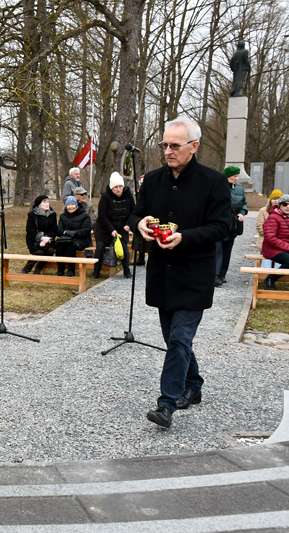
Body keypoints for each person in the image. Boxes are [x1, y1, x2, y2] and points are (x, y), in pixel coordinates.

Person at [129, 116, 230, 429]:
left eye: (175, 145)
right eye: (164, 145)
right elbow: (135, 214)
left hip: (194, 276)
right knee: (175, 340)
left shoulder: (213, 181)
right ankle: (194, 384)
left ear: (194, 146)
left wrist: (184, 237)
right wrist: (139, 224)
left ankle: (167, 404)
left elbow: (222, 227)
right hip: (162, 275)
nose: (168, 151)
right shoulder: (152, 180)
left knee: (179, 339)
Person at [93, 172, 135, 279]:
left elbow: (133, 212)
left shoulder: (128, 195)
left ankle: (127, 271)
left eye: (120, 186)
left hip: (122, 227)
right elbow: (102, 216)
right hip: (104, 228)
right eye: (116, 187)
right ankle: (96, 272)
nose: (118, 189)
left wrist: (128, 224)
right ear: (112, 188)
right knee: (100, 248)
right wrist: (111, 230)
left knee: (124, 249)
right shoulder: (105, 197)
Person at [215, 165, 248, 287]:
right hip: (219, 223)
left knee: (227, 250)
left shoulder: (239, 188)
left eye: (237, 176)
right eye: (234, 176)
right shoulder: (217, 186)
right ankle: (215, 274)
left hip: (233, 224)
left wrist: (242, 213)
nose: (236, 179)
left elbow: (244, 203)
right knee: (217, 249)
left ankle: (222, 275)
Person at [55, 195, 92, 277]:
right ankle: (60, 270)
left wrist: (73, 233)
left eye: (72, 204)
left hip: (82, 239)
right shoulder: (63, 216)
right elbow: (59, 230)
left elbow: (86, 230)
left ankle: (71, 270)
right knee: (59, 246)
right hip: (66, 238)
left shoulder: (85, 215)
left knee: (70, 245)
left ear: (76, 205)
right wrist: (67, 232)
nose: (70, 207)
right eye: (68, 205)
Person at [22, 195, 57, 274]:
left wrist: (46, 239)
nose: (47, 204)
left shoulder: (53, 214)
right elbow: (30, 230)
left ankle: (38, 268)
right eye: (44, 202)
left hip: (49, 239)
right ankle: (26, 269)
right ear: (39, 204)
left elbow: (54, 229)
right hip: (34, 239)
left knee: (50, 251)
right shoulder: (32, 215)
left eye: (48, 202)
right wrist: (41, 238)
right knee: (39, 252)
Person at [261, 194, 289, 291]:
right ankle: (270, 279)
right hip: (272, 249)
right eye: (285, 204)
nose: (288, 207)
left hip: (285, 248)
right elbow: (270, 238)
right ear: (280, 205)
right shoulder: (273, 217)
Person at [257, 189, 283, 269]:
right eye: (274, 199)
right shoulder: (263, 211)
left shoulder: (285, 211)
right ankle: (265, 273)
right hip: (266, 240)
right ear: (270, 200)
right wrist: (270, 236)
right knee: (266, 259)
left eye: (278, 199)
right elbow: (259, 226)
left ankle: (279, 273)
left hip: (281, 241)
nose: (276, 201)